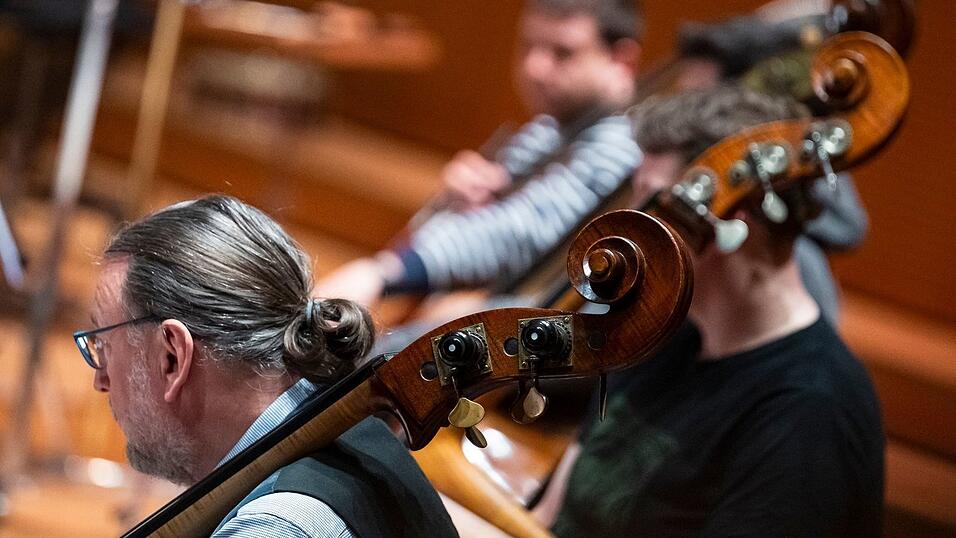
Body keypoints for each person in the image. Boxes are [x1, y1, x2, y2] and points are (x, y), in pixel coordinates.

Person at [536, 86, 884, 536]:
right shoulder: (660, 335)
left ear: (730, 222)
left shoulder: (810, 413)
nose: (628, 226)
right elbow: (546, 520)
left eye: (650, 204)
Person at [75, 195, 457, 537]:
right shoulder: (349, 434)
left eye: (104, 346)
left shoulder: (277, 526)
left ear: (172, 356)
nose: (100, 380)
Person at [315, 0, 643, 308]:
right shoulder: (549, 128)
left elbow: (515, 233)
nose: (535, 67)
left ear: (621, 61)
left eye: (563, 52)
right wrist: (460, 200)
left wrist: (384, 273)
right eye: (528, 45)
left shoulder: (623, 144)